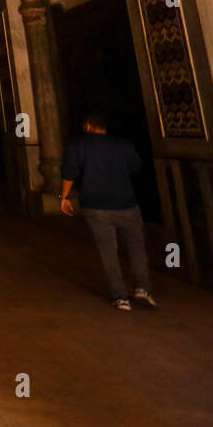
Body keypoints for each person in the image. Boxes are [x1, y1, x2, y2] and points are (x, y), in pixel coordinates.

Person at [61, 113, 154, 310]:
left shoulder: (78, 146)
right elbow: (135, 167)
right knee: (137, 248)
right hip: (126, 203)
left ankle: (121, 297)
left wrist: (65, 197)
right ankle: (142, 288)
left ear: (87, 126)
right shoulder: (124, 145)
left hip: (95, 206)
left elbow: (70, 172)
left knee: (108, 251)